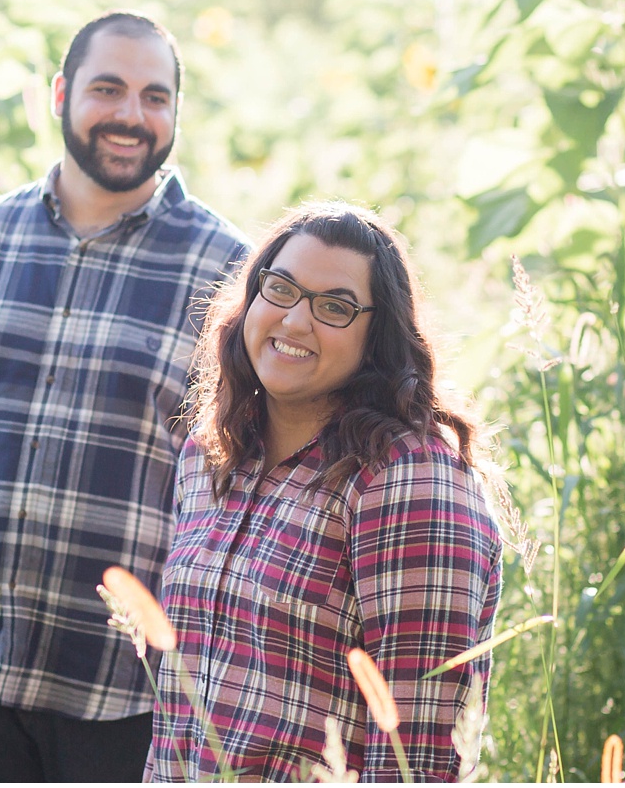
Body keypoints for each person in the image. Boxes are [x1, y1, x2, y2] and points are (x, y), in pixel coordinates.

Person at [0, 11, 249, 781]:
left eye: (155, 97)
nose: (131, 115)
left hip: (127, 691)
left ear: (176, 115)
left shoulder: (230, 274)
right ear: (61, 93)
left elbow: (251, 489)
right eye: (107, 88)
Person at [144, 202, 503, 783]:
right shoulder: (210, 455)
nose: (293, 321)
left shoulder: (408, 481)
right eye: (280, 289)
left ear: (377, 338)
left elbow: (422, 751)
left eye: (334, 306)